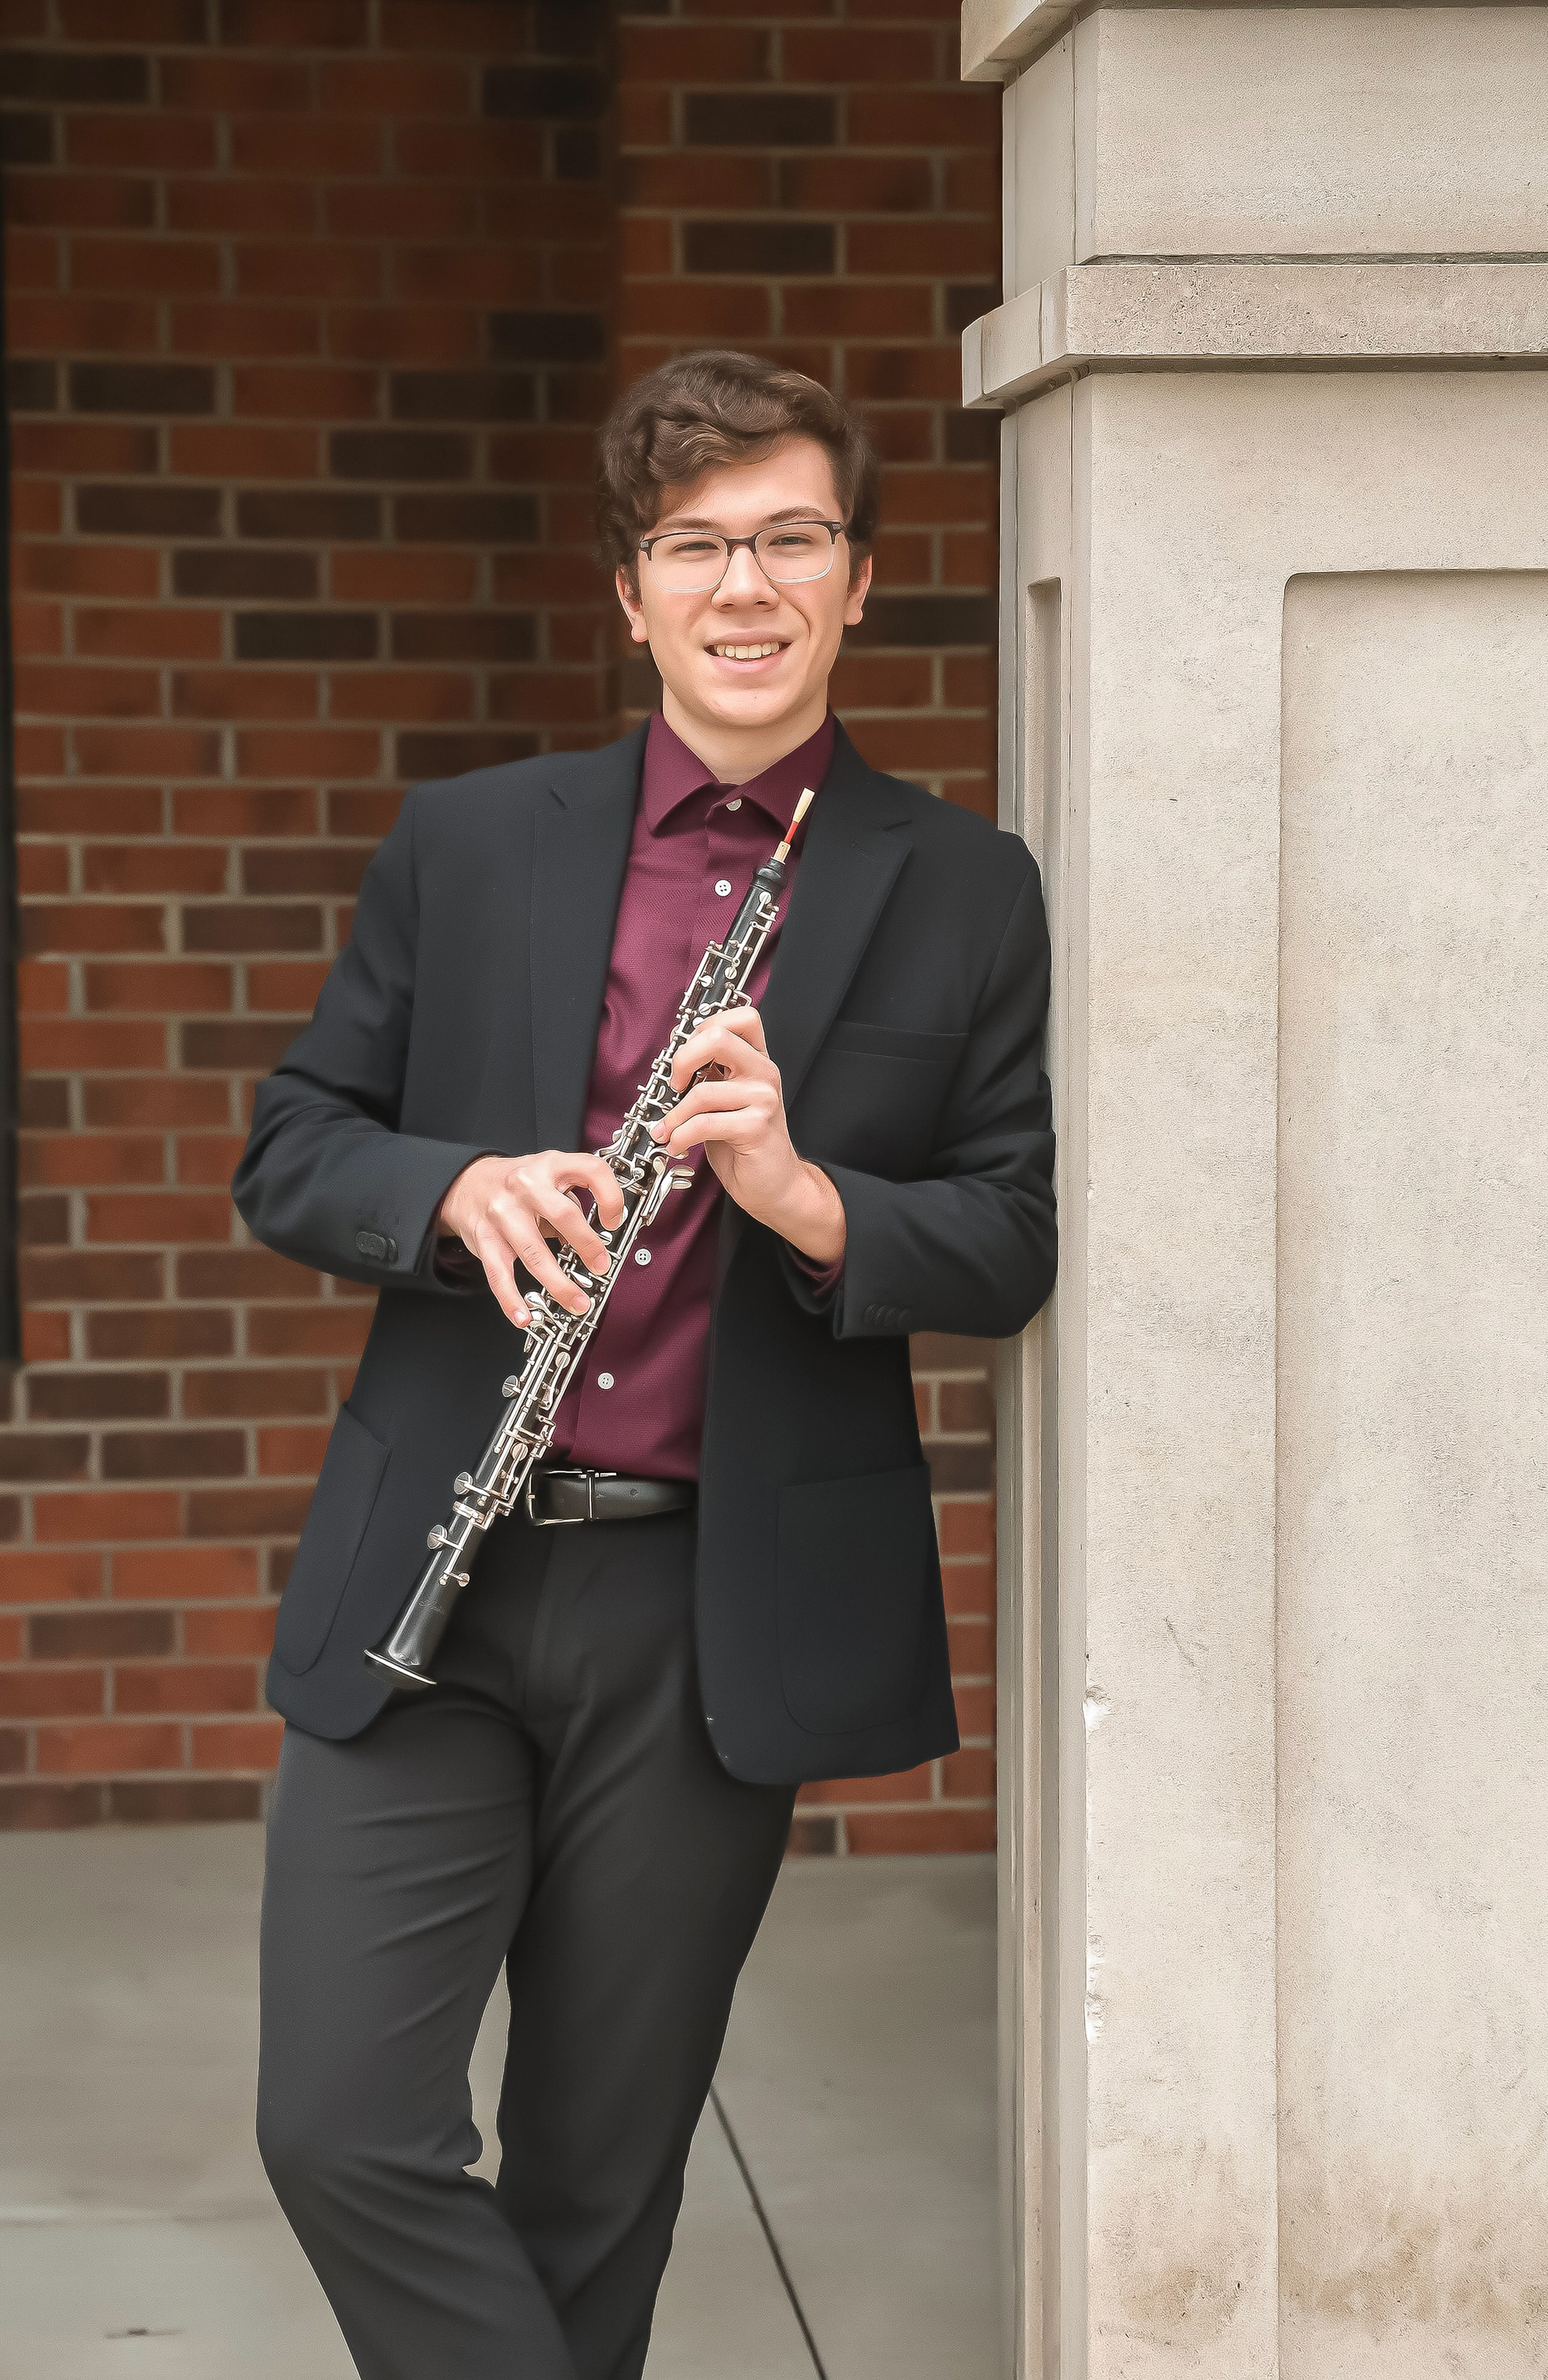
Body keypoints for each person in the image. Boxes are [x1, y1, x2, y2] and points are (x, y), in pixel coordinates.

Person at [233, 348, 1056, 2380]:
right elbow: (293, 1142)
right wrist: (452, 1189)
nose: (743, 585)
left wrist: (803, 1195)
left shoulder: (963, 886)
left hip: (709, 1608)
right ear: (630, 591)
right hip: (436, 1569)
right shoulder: (470, 841)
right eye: (695, 545)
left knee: (598, 2195)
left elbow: (1010, 1234)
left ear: (860, 578)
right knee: (338, 2126)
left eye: (791, 539)